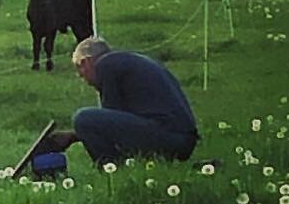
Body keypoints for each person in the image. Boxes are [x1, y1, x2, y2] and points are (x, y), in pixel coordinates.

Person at [49, 36, 198, 168]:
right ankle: (130, 168)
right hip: (181, 138)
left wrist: (74, 135)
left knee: (83, 118)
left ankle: (113, 170)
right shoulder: (129, 62)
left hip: (168, 135)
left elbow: (108, 123)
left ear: (86, 61)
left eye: (79, 68)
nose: (81, 75)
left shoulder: (105, 65)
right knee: (88, 120)